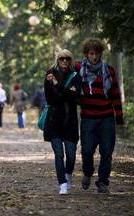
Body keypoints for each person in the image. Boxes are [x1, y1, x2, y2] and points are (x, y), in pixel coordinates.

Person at [76, 38, 124, 194]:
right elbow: (62, 69)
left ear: (101, 54)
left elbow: (115, 93)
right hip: (88, 118)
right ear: (86, 54)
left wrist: (119, 116)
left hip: (106, 117)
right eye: (91, 53)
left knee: (107, 151)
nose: (94, 57)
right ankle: (88, 172)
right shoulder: (78, 69)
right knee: (87, 150)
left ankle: (103, 182)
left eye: (97, 53)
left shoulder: (108, 71)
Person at [44, 49, 81, 195]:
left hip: (70, 121)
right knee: (58, 153)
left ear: (71, 60)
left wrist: (57, 85)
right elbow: (50, 99)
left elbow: (75, 97)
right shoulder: (50, 73)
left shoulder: (76, 76)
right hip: (54, 120)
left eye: (67, 59)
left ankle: (68, 175)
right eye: (61, 59)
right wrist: (66, 92)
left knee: (71, 155)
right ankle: (62, 183)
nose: (64, 61)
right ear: (57, 60)